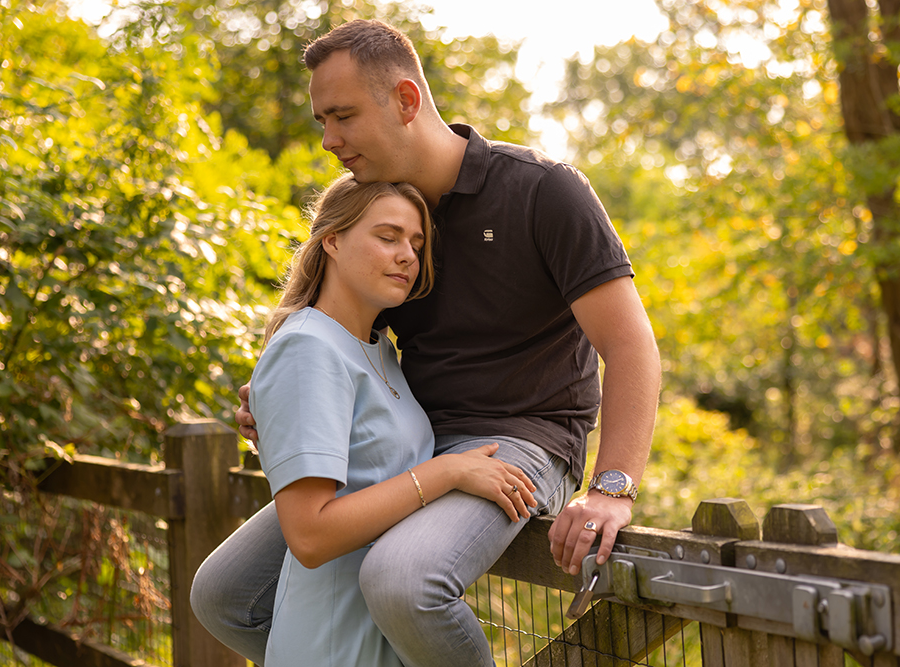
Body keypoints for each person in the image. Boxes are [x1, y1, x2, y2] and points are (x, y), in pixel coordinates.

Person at [191, 19, 662, 667]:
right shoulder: (387, 220)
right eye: (322, 120)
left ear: (407, 101)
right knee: (224, 594)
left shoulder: (543, 191)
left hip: (522, 443)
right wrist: (287, 406)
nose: (329, 140)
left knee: (402, 582)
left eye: (343, 116)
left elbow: (631, 345)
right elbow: (348, 347)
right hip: (407, 445)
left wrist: (611, 487)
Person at [245, 173, 538, 666]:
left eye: (416, 243)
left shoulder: (379, 349)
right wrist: (448, 471)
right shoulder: (307, 347)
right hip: (332, 648)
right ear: (332, 240)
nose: (408, 255)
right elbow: (310, 536)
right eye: (388, 237)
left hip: (381, 642)